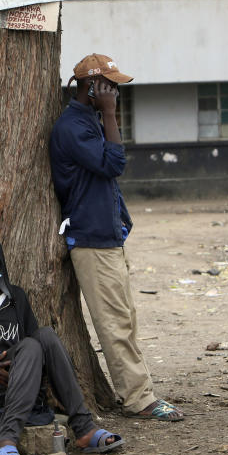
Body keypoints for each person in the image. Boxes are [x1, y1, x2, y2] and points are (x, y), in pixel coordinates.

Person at [49, 53, 183, 422]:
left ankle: (140, 390)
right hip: (90, 239)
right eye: (108, 86)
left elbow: (106, 179)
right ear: (90, 87)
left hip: (106, 235)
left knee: (126, 318)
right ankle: (138, 399)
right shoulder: (73, 127)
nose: (115, 93)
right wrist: (109, 113)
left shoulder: (87, 121)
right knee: (114, 323)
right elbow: (113, 165)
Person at [0, 228, 125, 455]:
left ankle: (84, 427)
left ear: (0, 258)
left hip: (23, 388)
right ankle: (6, 440)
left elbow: (33, 349)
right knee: (33, 344)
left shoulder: (17, 297)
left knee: (43, 336)